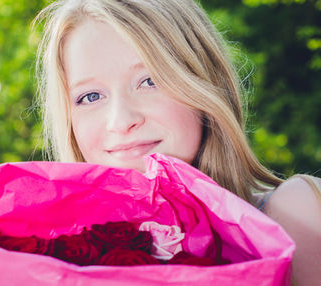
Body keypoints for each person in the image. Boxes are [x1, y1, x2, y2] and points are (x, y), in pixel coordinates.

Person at [33, 0, 321, 285]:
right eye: (91, 97)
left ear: (203, 80)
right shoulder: (47, 251)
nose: (121, 121)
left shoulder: (294, 213)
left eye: (150, 81)